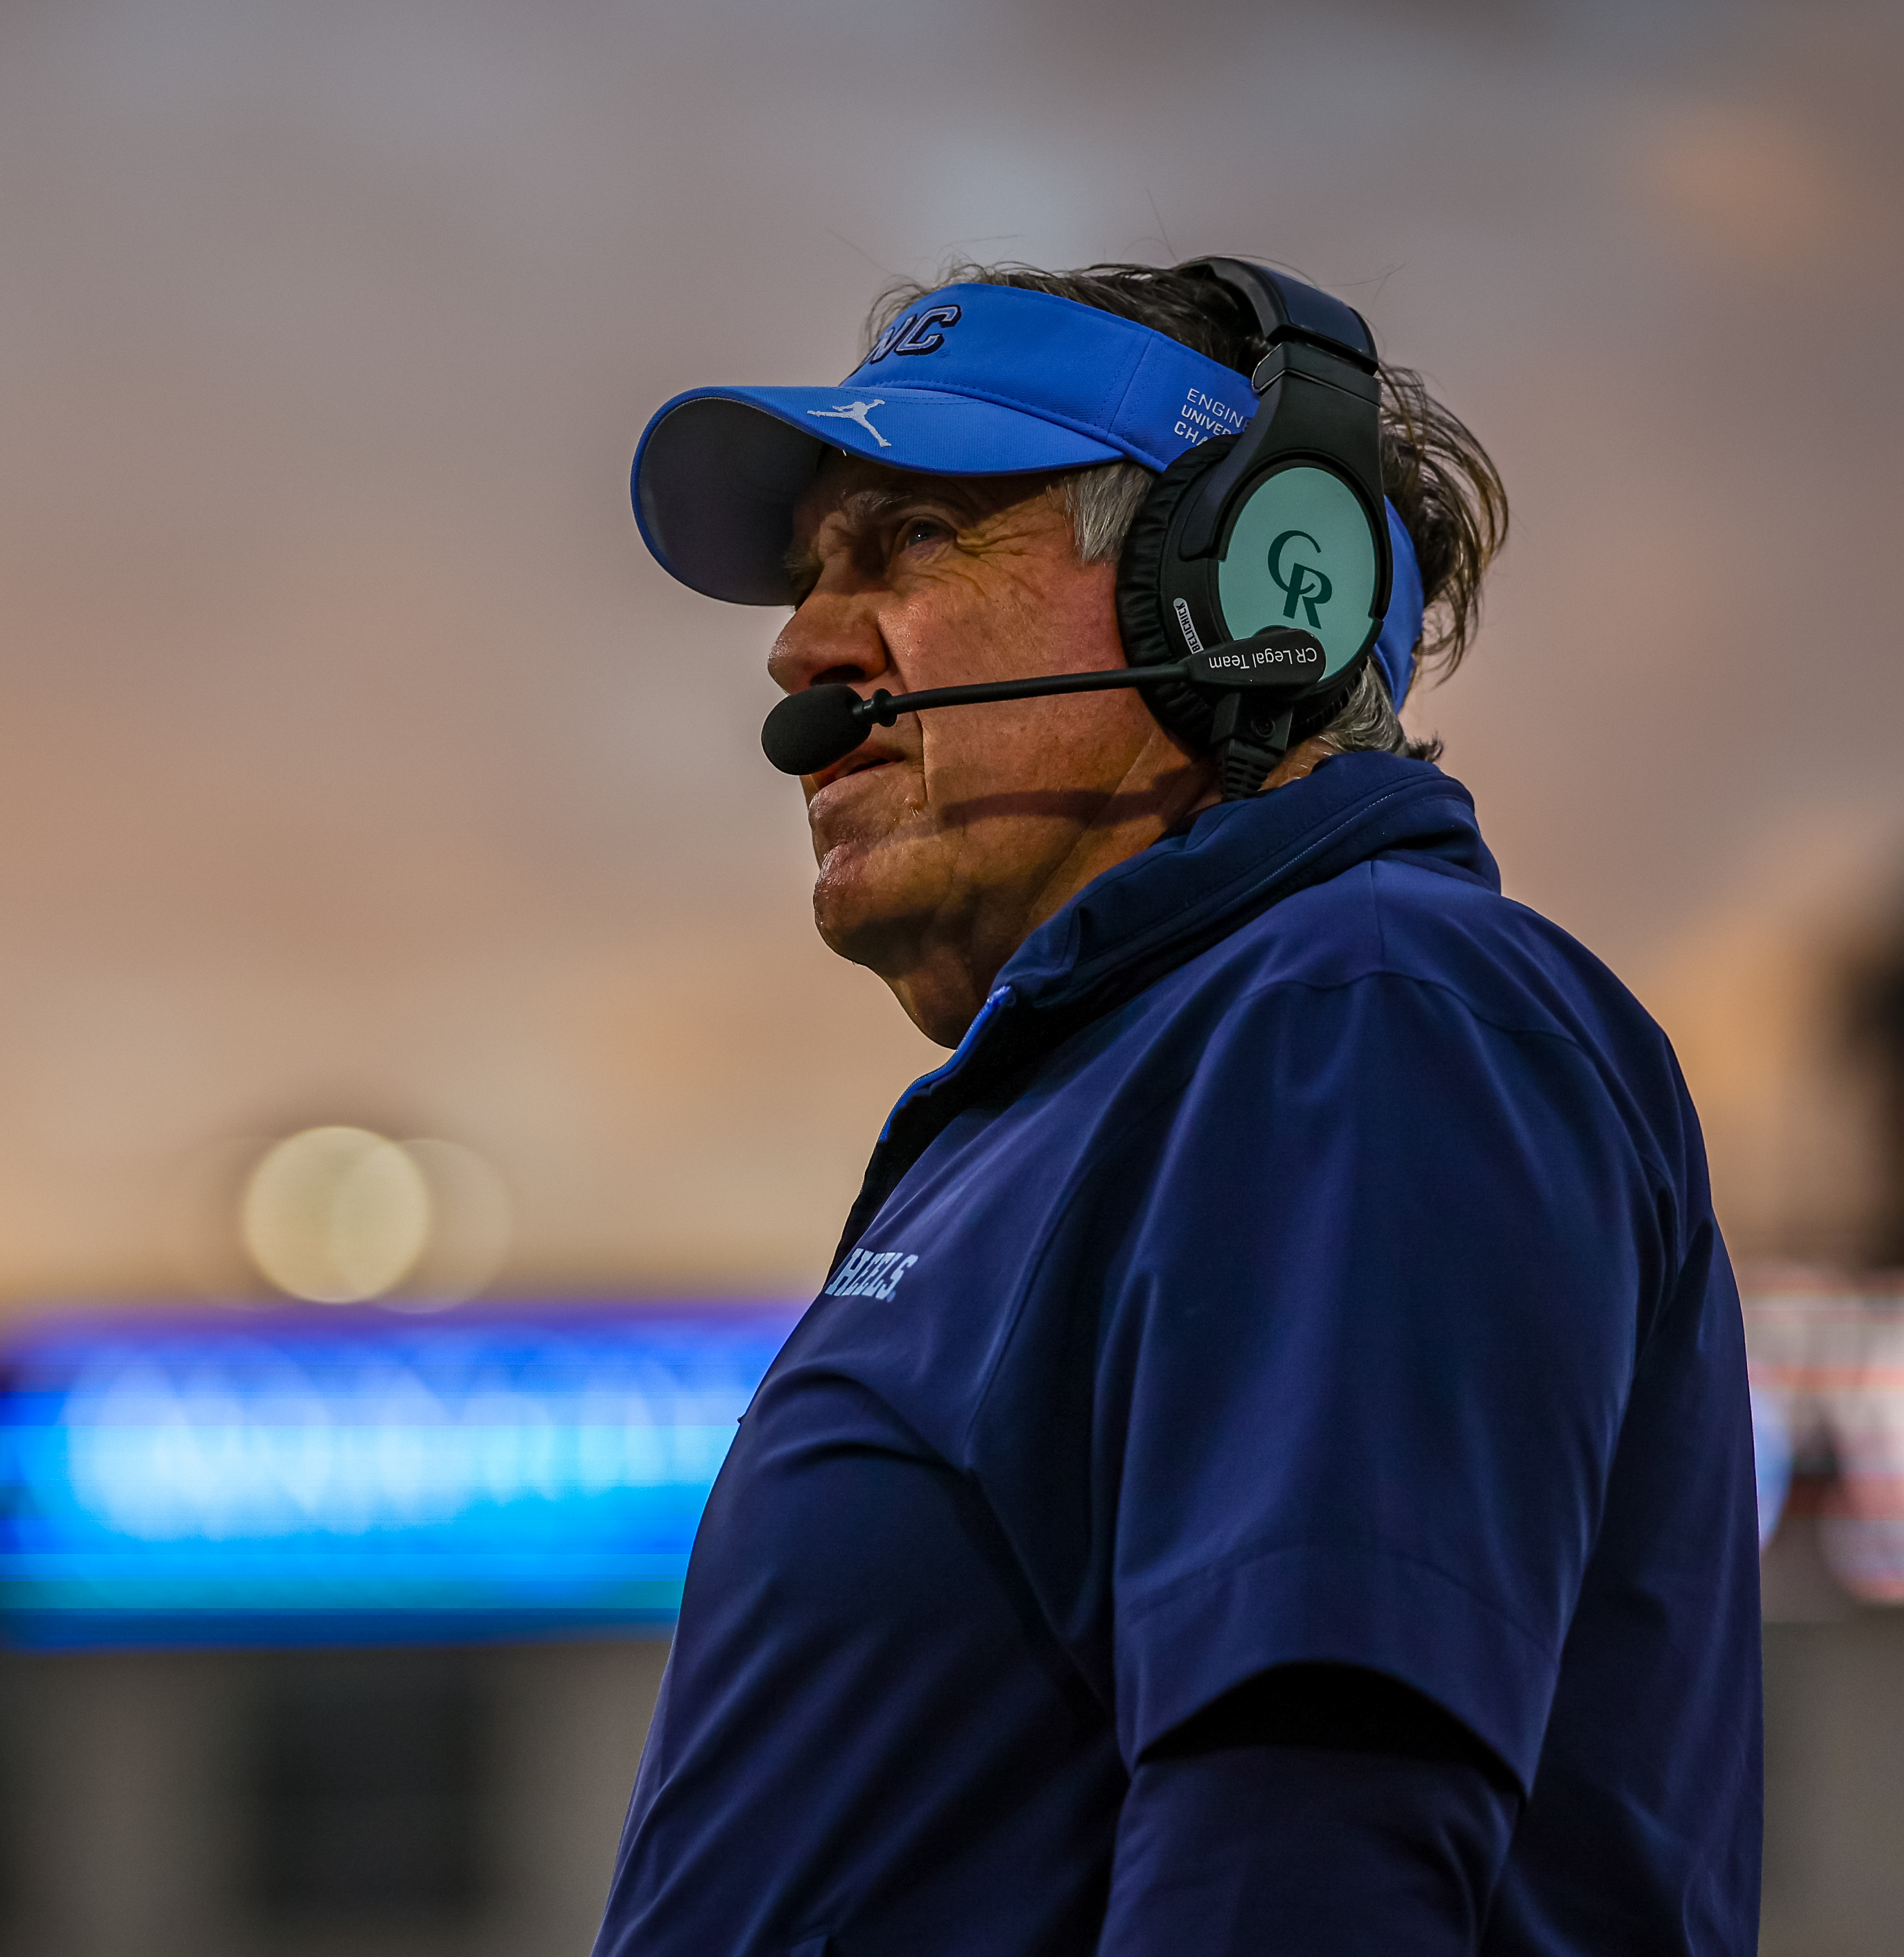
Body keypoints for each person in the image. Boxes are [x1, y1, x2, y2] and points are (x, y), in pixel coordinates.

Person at [592, 262, 1760, 1955]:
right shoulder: (1100, 1096)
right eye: (807, 575)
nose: (799, 651)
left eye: (910, 538)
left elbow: (1311, 1843)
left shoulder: (1361, 1013)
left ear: (1248, 587)